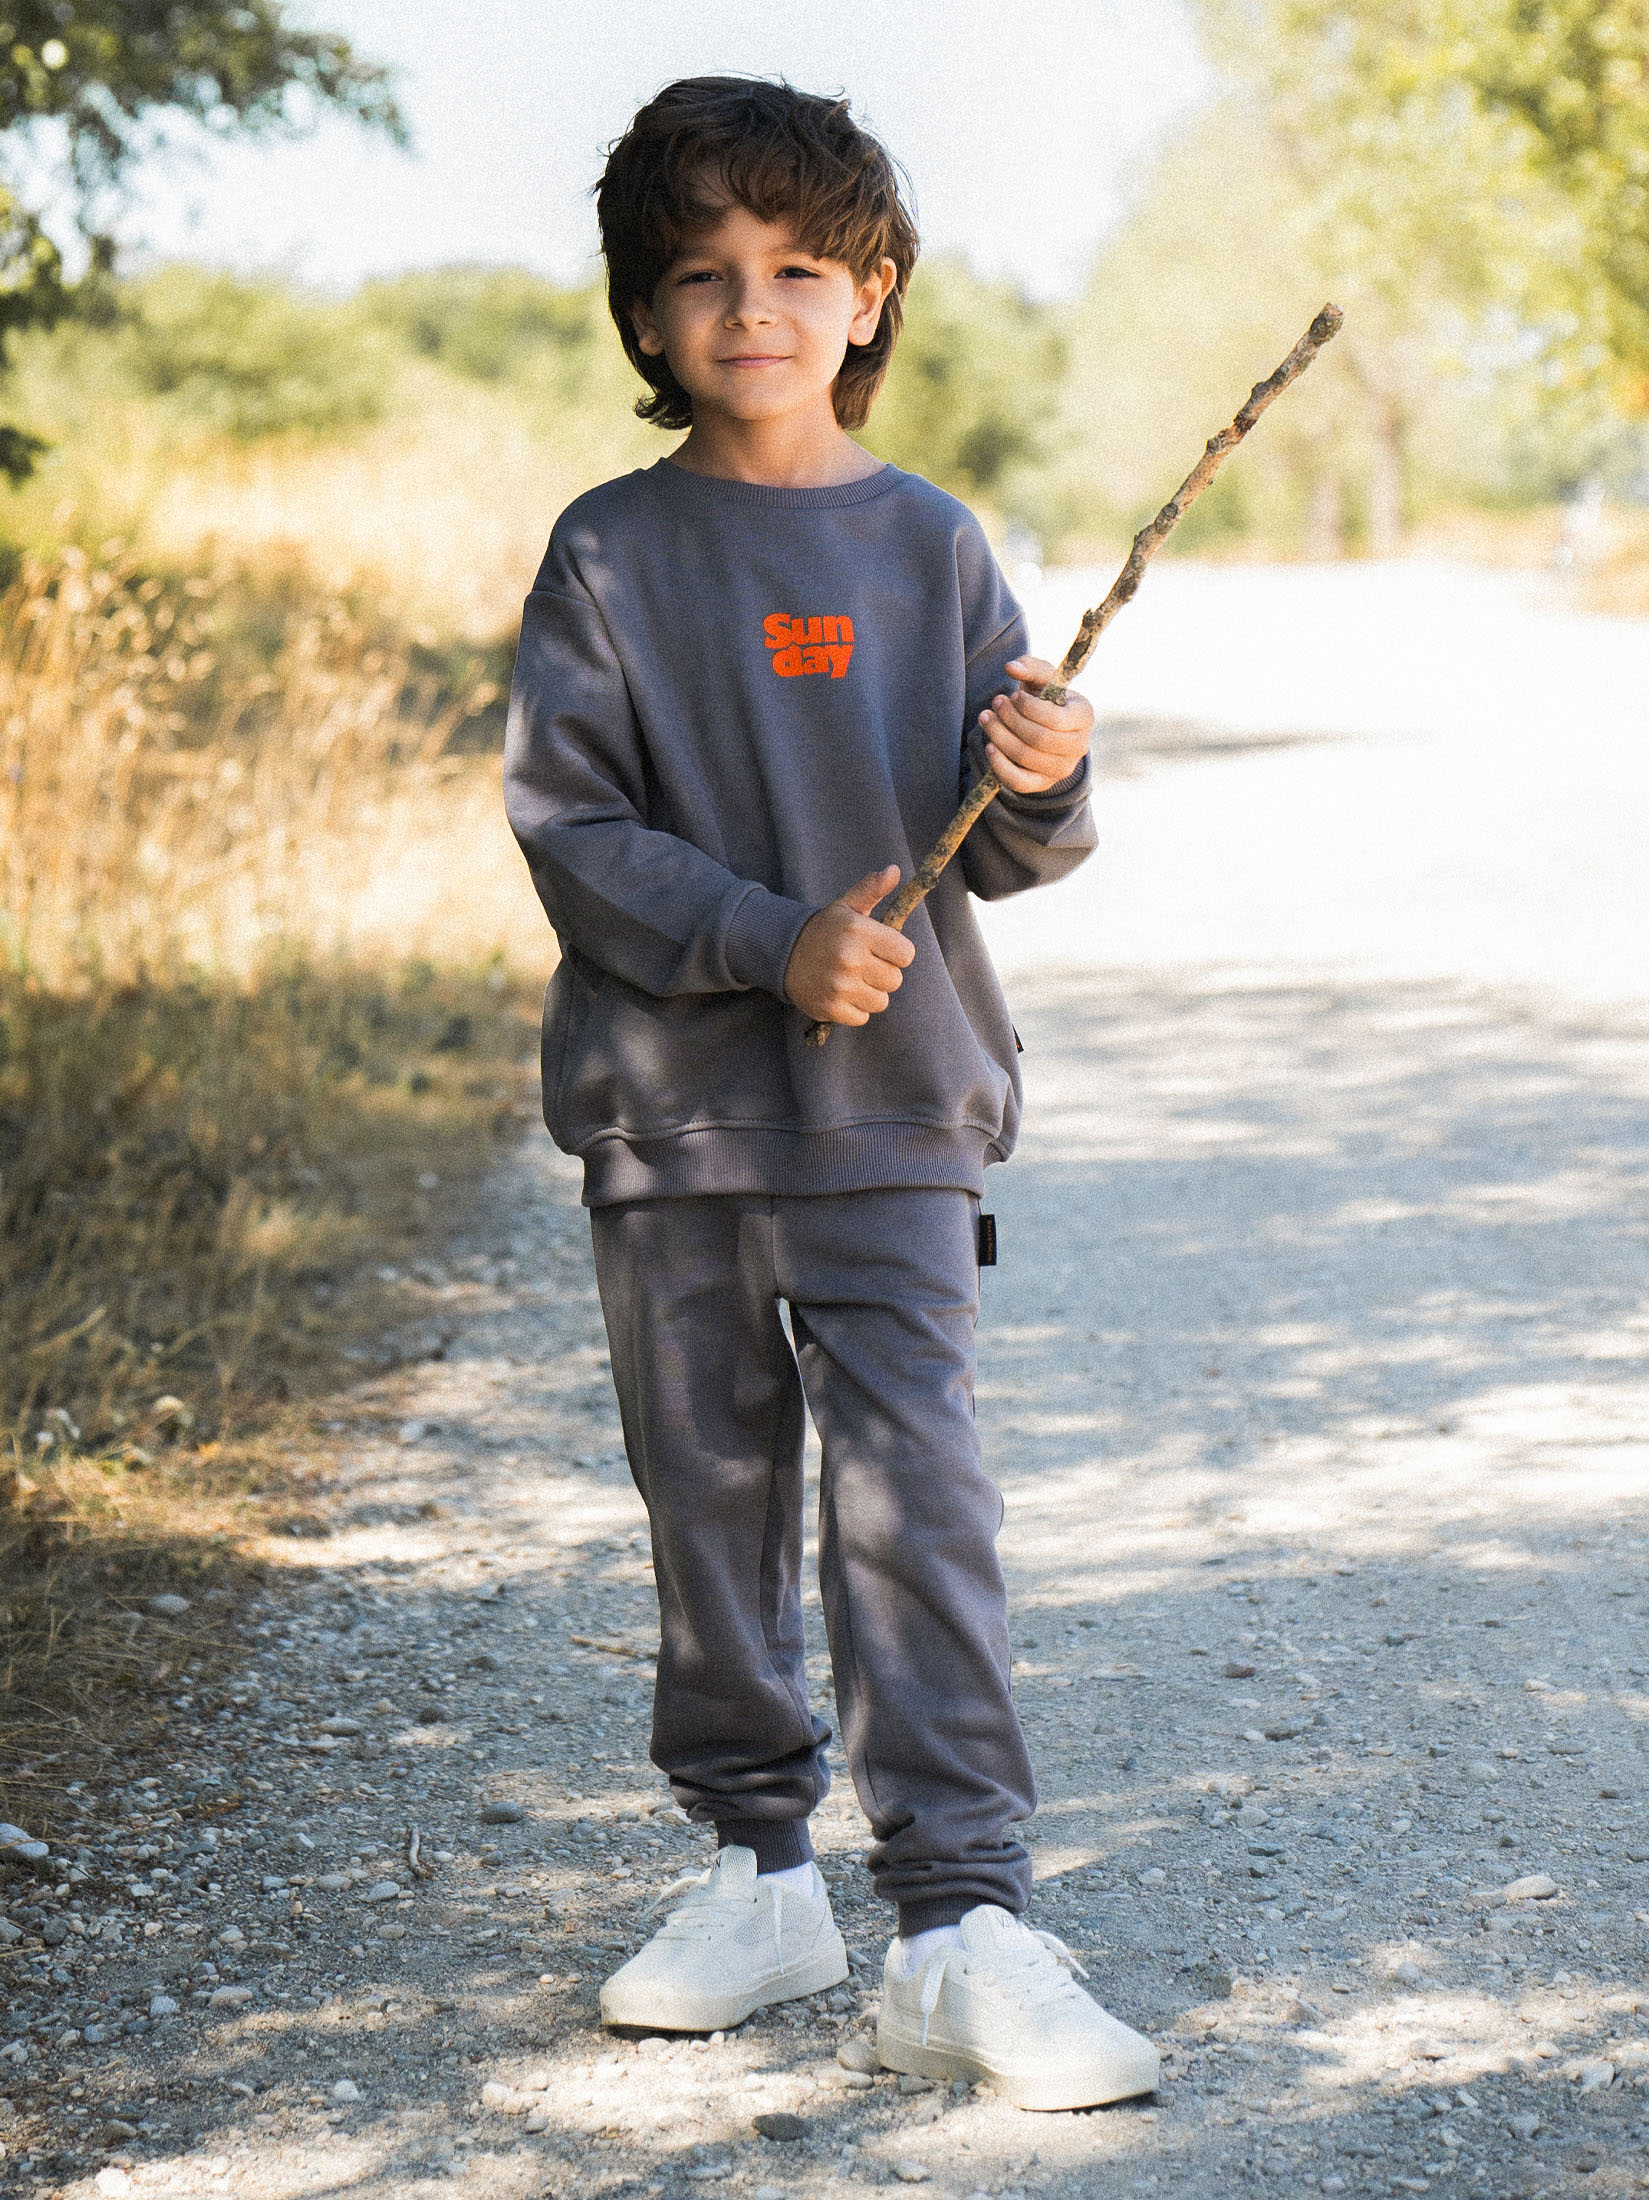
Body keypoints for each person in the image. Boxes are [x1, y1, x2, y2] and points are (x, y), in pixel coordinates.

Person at [503, 74, 1157, 2112]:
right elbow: (571, 826)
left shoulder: (931, 541)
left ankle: (958, 1916)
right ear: (643, 321)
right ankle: (757, 1861)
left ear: (870, 297)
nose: (752, 309)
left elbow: (1006, 846)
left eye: (799, 270)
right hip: (674, 1130)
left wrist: (1042, 776)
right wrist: (766, 938)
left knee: (915, 1508)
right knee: (706, 1506)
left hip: (892, 1118)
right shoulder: (609, 552)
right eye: (701, 277)